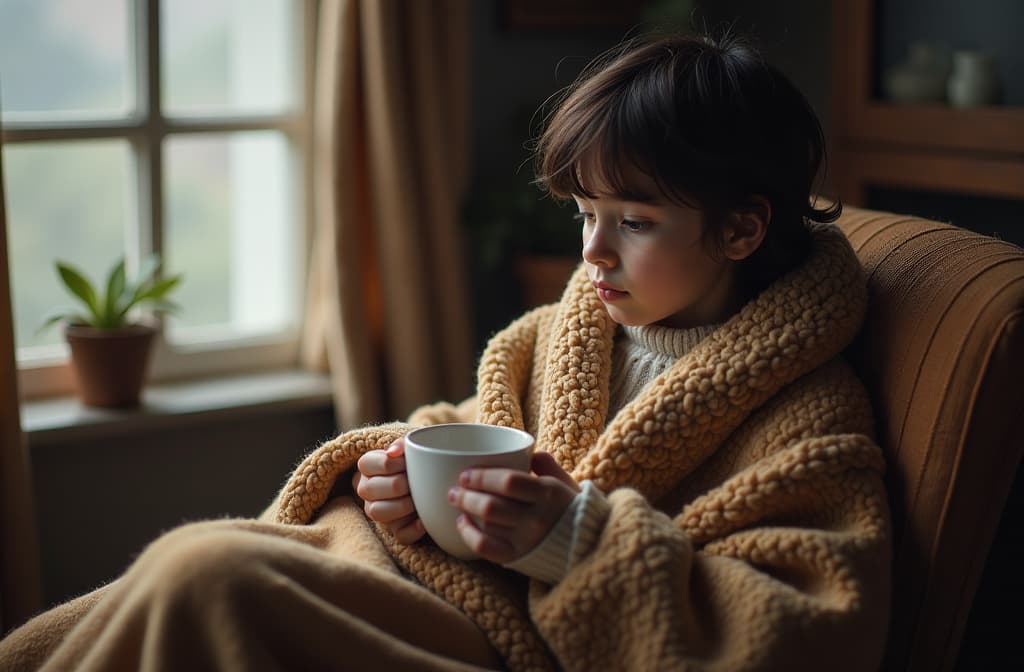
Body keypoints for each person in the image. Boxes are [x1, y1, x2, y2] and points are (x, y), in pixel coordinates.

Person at [0, 32, 891, 671]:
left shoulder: (810, 417)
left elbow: (804, 630)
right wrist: (393, 471)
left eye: (636, 222)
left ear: (740, 228)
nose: (593, 251)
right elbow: (468, 428)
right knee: (168, 575)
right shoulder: (557, 337)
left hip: (503, 633)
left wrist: (575, 543)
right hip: (413, 574)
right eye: (584, 214)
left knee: (206, 574)